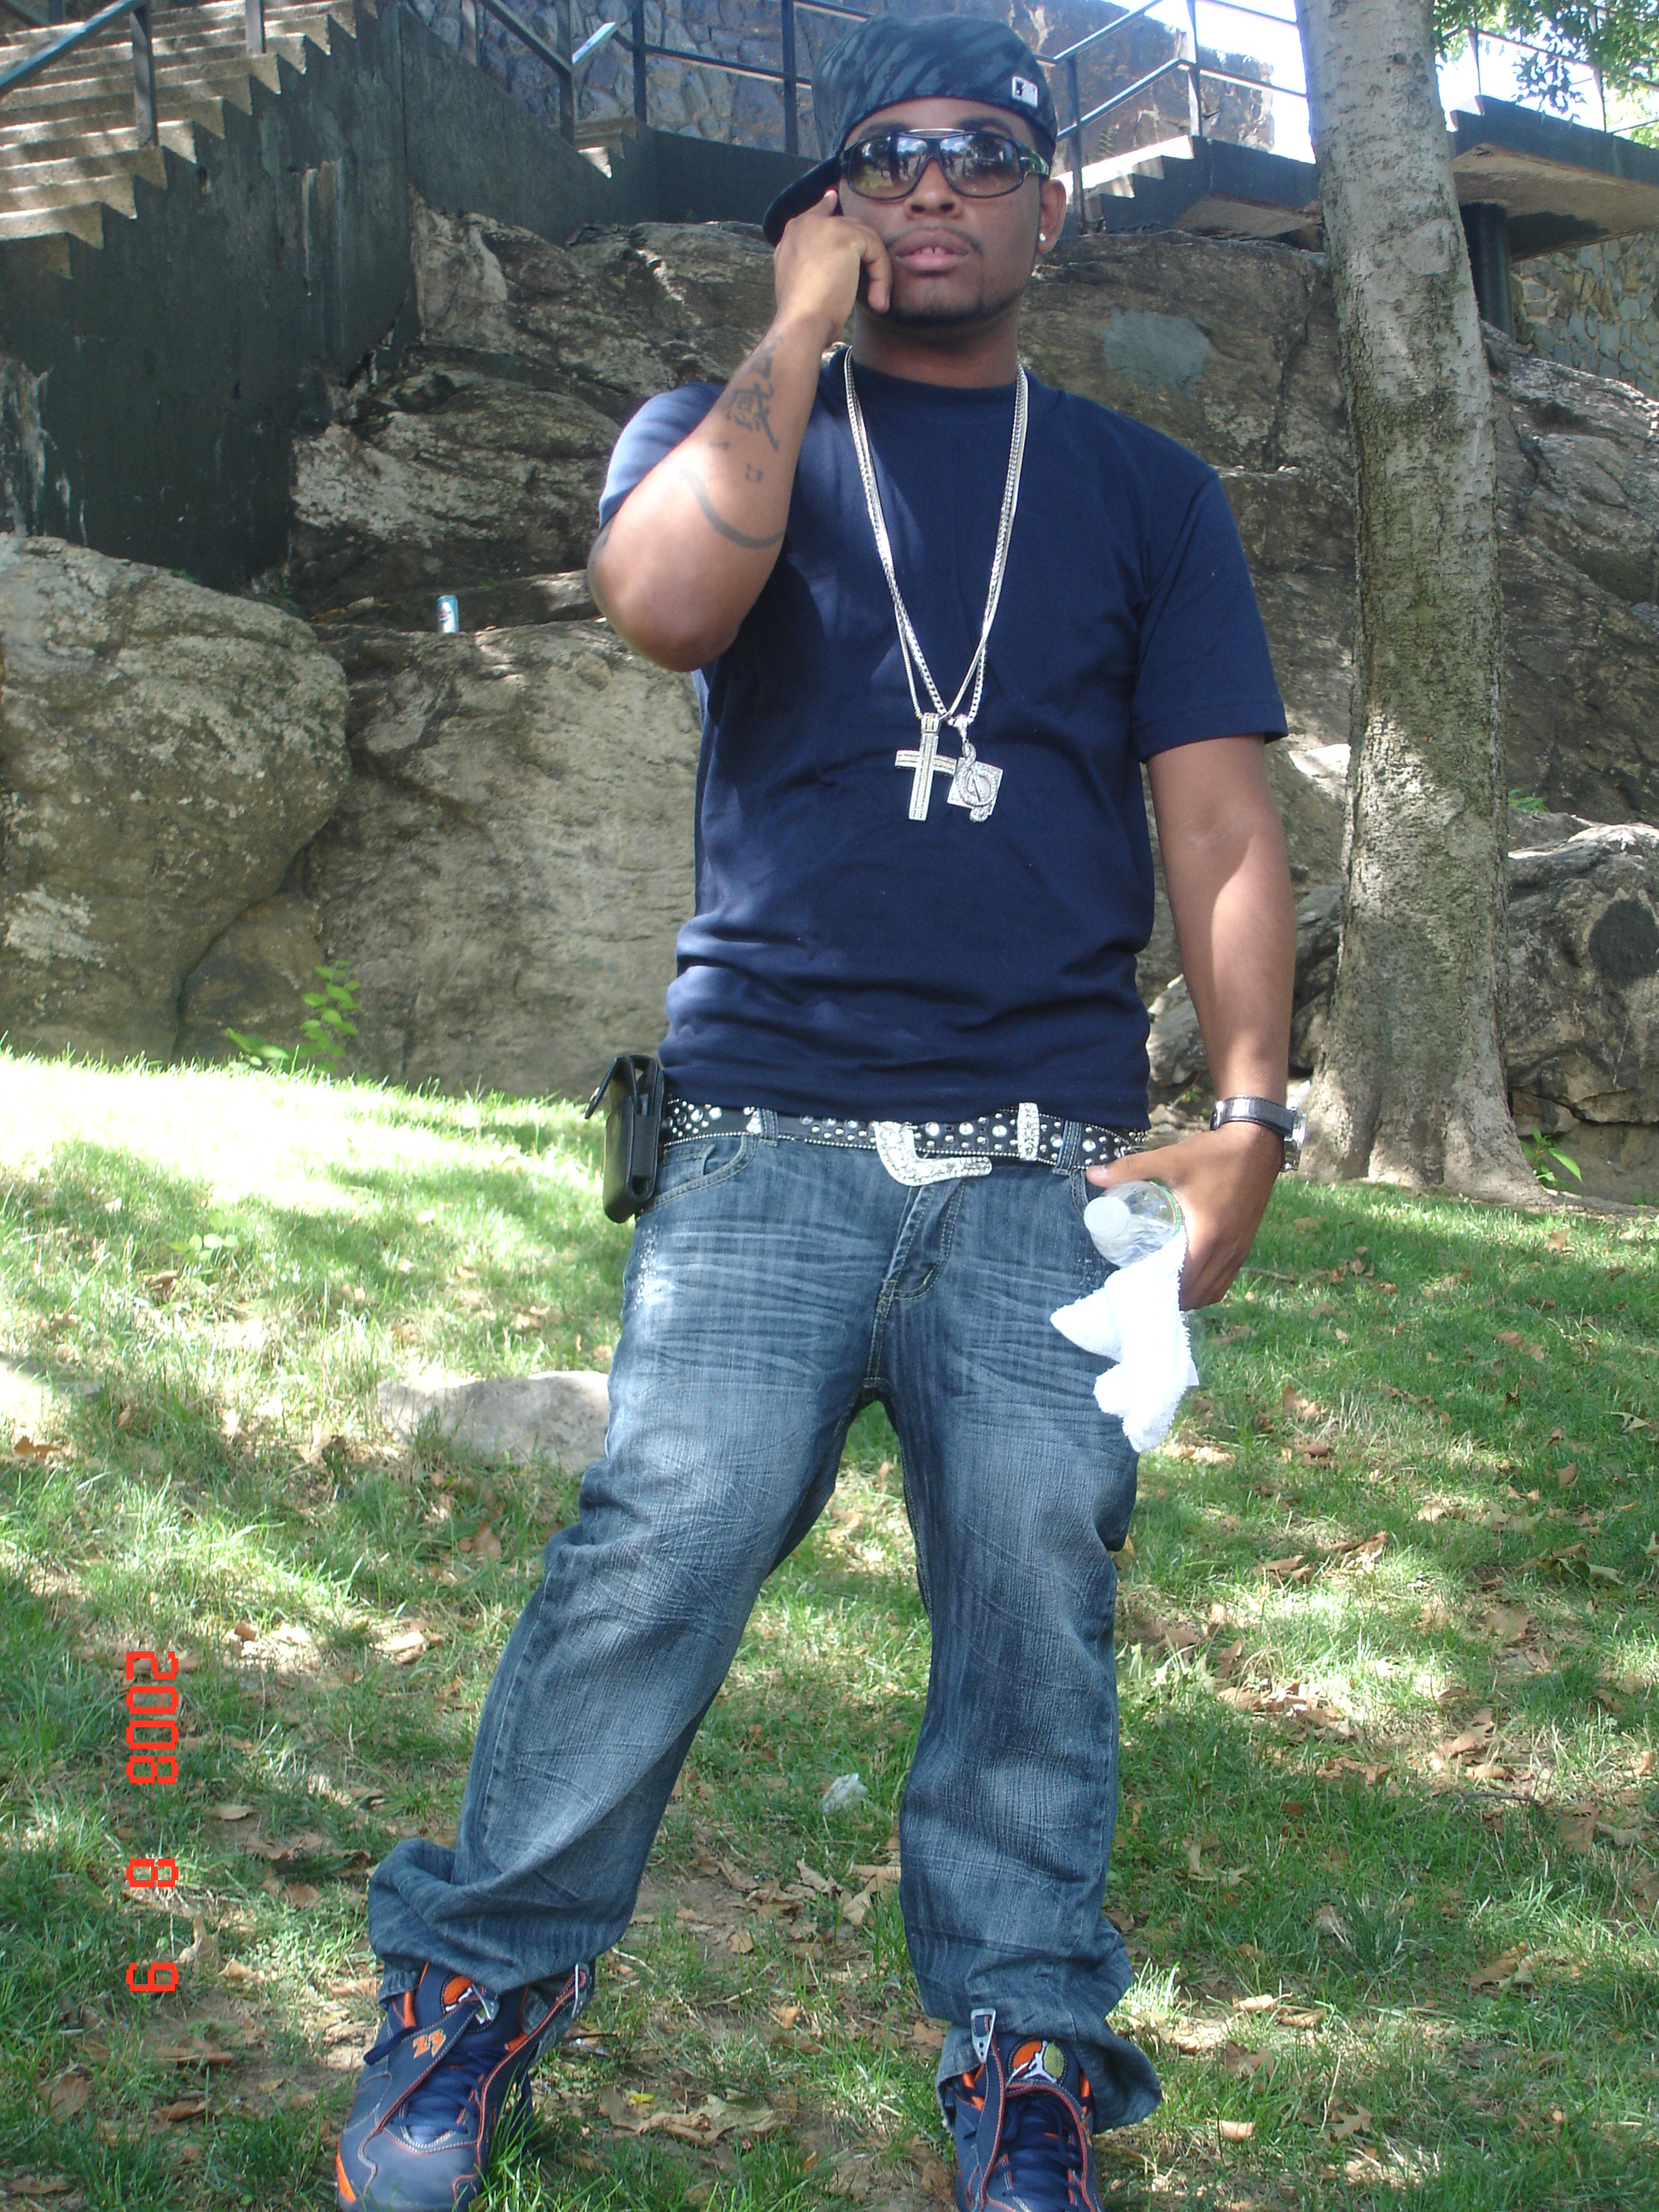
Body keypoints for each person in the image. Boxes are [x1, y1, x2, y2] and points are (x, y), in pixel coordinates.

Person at [334, 15, 1298, 2210]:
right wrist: (787, 331)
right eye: (888, 157)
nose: (934, 187)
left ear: (1053, 202)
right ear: (835, 201)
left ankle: (1026, 2052)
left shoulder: (1147, 493)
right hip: (767, 1128)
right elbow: (666, 607)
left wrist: (1251, 1116)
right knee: (661, 1540)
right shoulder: (717, 431)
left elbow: (1224, 827)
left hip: (1046, 1157)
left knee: (1036, 1575)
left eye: (983, 153)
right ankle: (471, 1996)